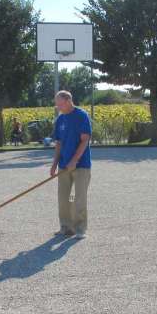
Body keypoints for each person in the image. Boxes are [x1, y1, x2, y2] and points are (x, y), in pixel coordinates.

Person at [50, 91, 91, 239]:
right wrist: (54, 164)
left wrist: (74, 160)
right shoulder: (60, 119)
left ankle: (80, 229)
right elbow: (59, 143)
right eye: (57, 104)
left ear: (68, 101)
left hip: (82, 165)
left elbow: (85, 140)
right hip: (63, 165)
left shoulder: (81, 116)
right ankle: (66, 227)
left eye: (60, 104)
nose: (58, 107)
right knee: (63, 198)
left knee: (80, 198)